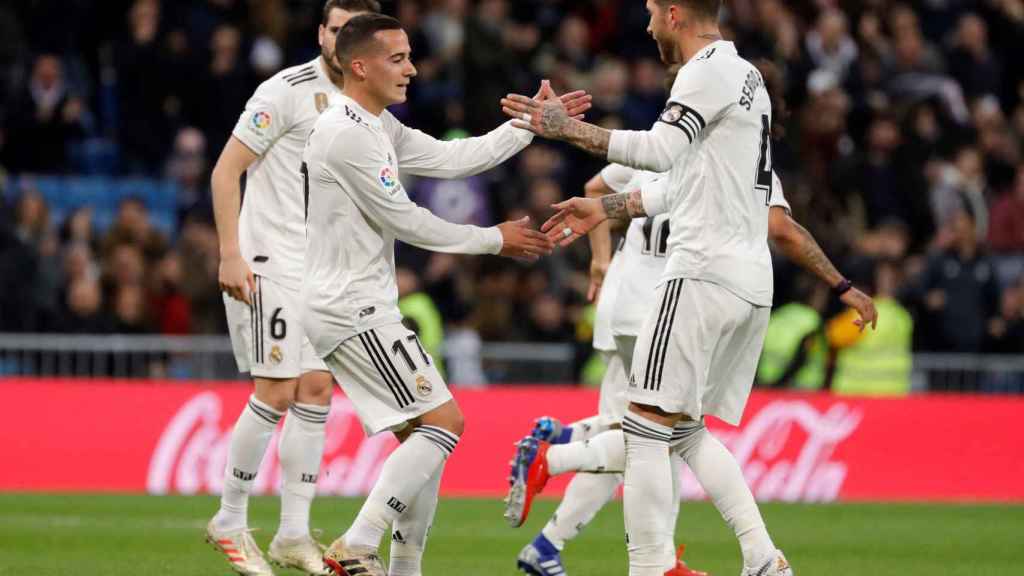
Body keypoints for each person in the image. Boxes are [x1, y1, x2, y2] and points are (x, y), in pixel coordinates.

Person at [501, 1, 872, 574]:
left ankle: (647, 565)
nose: (647, 25)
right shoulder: (748, 78)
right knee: (685, 431)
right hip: (746, 282)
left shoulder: (703, 73)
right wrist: (606, 207)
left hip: (699, 275)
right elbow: (682, 186)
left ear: (674, 14)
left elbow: (657, 152)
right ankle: (760, 559)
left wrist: (563, 128)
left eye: (651, 11)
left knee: (645, 427)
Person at [300, 14, 587, 576]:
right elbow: (407, 220)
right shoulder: (345, 134)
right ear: (360, 66)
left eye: (410, 56)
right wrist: (492, 240)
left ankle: (404, 569)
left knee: (424, 440)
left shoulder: (376, 125)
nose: (412, 68)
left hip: (355, 304)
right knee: (444, 423)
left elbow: (456, 159)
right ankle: (357, 544)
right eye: (398, 58)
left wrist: (528, 124)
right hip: (351, 306)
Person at [508, 170, 876, 576]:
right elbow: (779, 228)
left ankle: (567, 484)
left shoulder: (655, 143)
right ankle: (557, 462)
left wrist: (601, 259)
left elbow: (596, 187)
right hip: (663, 304)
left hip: (626, 300)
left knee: (658, 432)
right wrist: (843, 286)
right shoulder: (727, 157)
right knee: (656, 433)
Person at [207, 3, 383, 575]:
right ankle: (230, 520)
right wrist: (231, 253)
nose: (341, 41)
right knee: (278, 389)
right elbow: (225, 170)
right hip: (270, 260)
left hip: (323, 270)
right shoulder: (284, 90)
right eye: (335, 30)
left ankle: (291, 534)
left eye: (353, 32)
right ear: (322, 34)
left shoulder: (366, 106)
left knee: (315, 390)